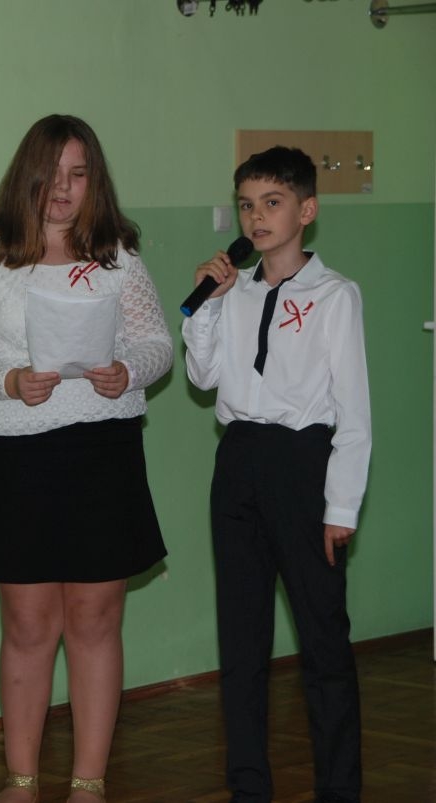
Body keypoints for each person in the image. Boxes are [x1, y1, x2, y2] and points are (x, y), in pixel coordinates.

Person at [0, 114, 171, 803]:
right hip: (21, 456)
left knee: (95, 621)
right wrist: (9, 380)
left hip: (104, 451)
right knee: (28, 625)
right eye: (52, 176)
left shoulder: (120, 259)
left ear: (95, 182)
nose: (64, 190)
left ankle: (88, 784)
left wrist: (128, 371)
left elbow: (157, 345)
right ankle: (20, 780)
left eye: (79, 174)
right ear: (27, 180)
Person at [182, 146, 371, 803]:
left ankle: (339, 786)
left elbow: (354, 412)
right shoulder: (233, 291)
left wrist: (341, 505)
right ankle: (248, 785)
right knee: (242, 638)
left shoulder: (334, 295)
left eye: (272, 202)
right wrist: (207, 305)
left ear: (306, 210)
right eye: (246, 205)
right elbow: (203, 377)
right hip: (238, 459)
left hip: (303, 464)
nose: (256, 217)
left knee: (323, 638)